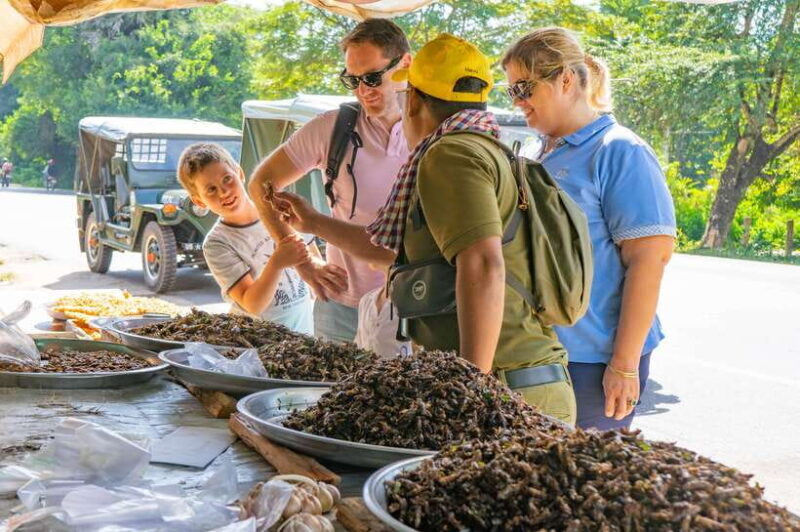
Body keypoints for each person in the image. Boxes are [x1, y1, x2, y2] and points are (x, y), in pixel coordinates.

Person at [272, 34, 577, 424]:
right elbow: (387, 251)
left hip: (506, 390)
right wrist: (313, 222)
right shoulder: (482, 146)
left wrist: (471, 392)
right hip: (520, 385)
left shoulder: (451, 154)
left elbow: (483, 265)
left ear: (413, 99)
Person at [502, 27, 676, 430]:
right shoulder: (533, 152)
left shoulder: (619, 150)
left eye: (524, 88)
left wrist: (625, 365)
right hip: (536, 352)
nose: (519, 102)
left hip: (594, 360)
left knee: (584, 481)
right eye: (512, 91)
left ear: (565, 79)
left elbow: (649, 259)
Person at [247, 18, 412, 344]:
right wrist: (302, 260)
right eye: (352, 81)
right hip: (341, 304)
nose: (364, 91)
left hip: (412, 304)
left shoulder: (434, 127)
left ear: (406, 64)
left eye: (373, 78)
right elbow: (261, 184)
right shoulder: (334, 128)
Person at [177, 143, 315, 335]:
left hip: (304, 339)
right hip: (258, 346)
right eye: (211, 189)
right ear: (199, 201)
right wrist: (276, 263)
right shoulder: (217, 244)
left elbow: (316, 264)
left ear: (240, 173)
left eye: (227, 179)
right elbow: (252, 304)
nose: (224, 192)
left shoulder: (281, 209)